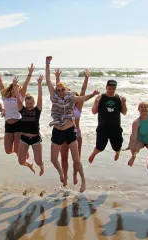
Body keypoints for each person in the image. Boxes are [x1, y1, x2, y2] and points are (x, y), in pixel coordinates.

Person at [45, 56, 98, 192]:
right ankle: (62, 175)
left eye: (63, 90)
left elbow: (83, 96)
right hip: (57, 131)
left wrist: (92, 94)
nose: (61, 92)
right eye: (59, 90)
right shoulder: (54, 97)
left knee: (76, 159)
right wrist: (47, 63)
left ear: (67, 91)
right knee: (54, 159)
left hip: (70, 131)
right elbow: (48, 80)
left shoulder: (72, 99)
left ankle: (82, 180)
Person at [55, 68, 93, 185]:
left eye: (75, 97)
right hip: (63, 132)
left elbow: (83, 91)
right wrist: (57, 78)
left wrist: (86, 78)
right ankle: (65, 177)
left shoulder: (78, 106)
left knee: (76, 159)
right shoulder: (63, 104)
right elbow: (59, 91)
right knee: (64, 157)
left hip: (76, 133)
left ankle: (75, 175)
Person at [0, 61, 33, 156]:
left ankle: (23, 150)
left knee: (18, 151)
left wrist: (29, 73)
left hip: (18, 124)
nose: (16, 90)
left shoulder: (20, 97)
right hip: (8, 125)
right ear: (11, 89)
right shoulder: (5, 97)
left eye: (18, 88)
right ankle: (22, 149)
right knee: (8, 150)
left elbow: (26, 83)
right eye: (14, 88)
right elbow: (0, 83)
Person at [89, 79, 127, 163]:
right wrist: (96, 103)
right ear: (106, 87)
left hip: (116, 127)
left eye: (113, 89)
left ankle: (117, 153)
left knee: (117, 147)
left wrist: (124, 103)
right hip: (103, 127)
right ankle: (93, 154)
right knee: (100, 147)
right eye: (109, 88)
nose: (111, 90)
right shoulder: (101, 97)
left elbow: (124, 112)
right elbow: (94, 112)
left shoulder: (118, 98)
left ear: (115, 89)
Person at [13, 75, 44, 175]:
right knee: (21, 161)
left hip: (36, 138)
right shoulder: (22, 110)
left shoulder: (37, 110)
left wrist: (39, 84)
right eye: (27, 103)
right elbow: (18, 99)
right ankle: (29, 164)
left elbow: (40, 97)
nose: (29, 104)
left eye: (31, 102)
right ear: (25, 103)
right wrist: (14, 86)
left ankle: (41, 166)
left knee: (38, 161)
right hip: (24, 138)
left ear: (34, 103)